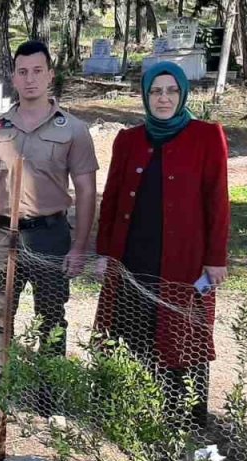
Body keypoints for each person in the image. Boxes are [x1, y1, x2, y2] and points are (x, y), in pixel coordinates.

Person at [94, 62, 230, 429]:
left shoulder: (207, 136)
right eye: (156, 91)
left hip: (184, 262)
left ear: (183, 94)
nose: (164, 98)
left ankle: (185, 421)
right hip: (133, 258)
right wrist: (105, 253)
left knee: (183, 337)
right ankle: (129, 413)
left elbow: (217, 200)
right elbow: (112, 200)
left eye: (171, 91)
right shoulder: (128, 139)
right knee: (129, 333)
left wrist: (215, 259)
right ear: (146, 96)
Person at [0, 41, 99, 378]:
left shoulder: (73, 130)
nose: (30, 79)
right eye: (23, 72)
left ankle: (47, 393)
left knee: (51, 318)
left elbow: (86, 191)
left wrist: (80, 247)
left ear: (50, 74)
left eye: (38, 71)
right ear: (14, 77)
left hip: (50, 235)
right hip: (1, 235)